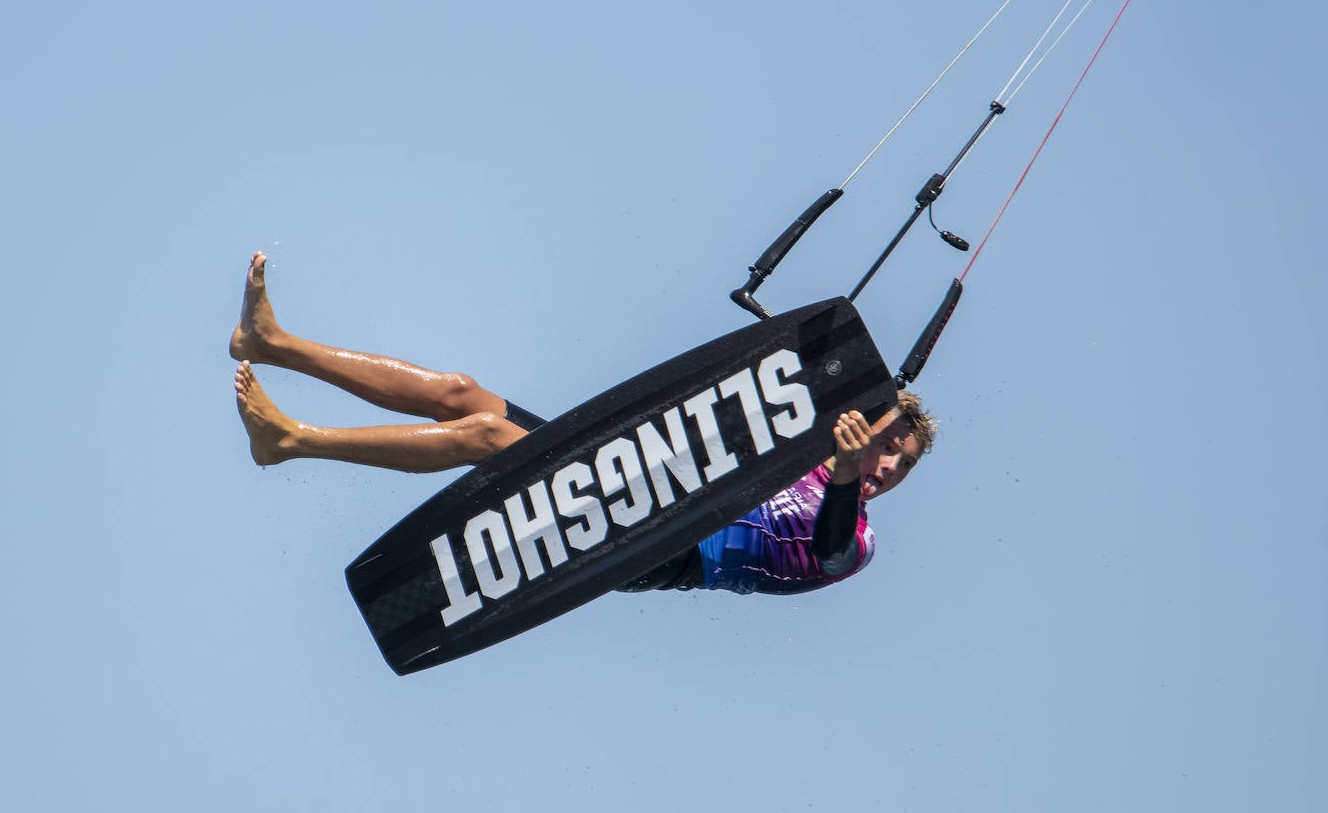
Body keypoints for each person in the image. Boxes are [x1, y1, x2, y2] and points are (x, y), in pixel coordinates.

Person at [231, 251, 936, 595]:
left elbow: (830, 550)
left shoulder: (857, 537)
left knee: (487, 440)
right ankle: (273, 344)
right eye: (888, 448)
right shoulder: (798, 444)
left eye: (901, 466)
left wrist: (847, 476)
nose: (887, 467)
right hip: (648, 478)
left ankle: (293, 440)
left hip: (660, 546)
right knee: (463, 396)